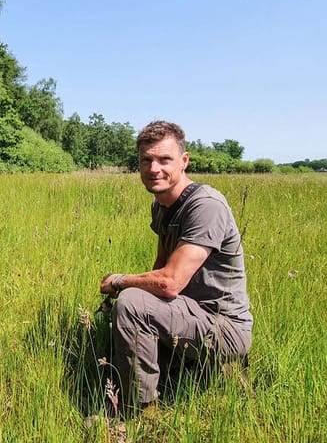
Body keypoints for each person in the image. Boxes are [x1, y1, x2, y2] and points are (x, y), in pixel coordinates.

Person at [99, 120, 253, 409]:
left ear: (184, 161)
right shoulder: (161, 204)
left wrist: (120, 281)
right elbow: (160, 266)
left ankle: (140, 412)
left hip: (224, 327)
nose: (154, 168)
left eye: (164, 159)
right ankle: (182, 375)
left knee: (132, 303)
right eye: (146, 160)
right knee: (128, 306)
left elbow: (170, 283)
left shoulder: (205, 205)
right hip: (191, 314)